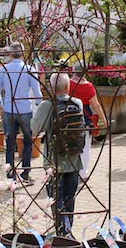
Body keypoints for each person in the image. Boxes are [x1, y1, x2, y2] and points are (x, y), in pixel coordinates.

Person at [33, 72, 86, 234]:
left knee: (56, 201)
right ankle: (67, 231)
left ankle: (64, 234)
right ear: (68, 86)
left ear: (51, 87)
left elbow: (35, 129)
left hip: (54, 162)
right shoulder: (77, 103)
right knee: (70, 200)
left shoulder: (47, 106)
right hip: (74, 159)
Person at [0, 42, 39, 182]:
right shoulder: (29, 69)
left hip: (9, 110)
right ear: (23, 53)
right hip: (25, 110)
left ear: (10, 53)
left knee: (10, 142)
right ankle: (25, 173)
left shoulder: (3, 70)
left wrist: (2, 105)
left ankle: (10, 173)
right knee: (28, 141)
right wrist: (39, 108)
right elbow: (37, 94)